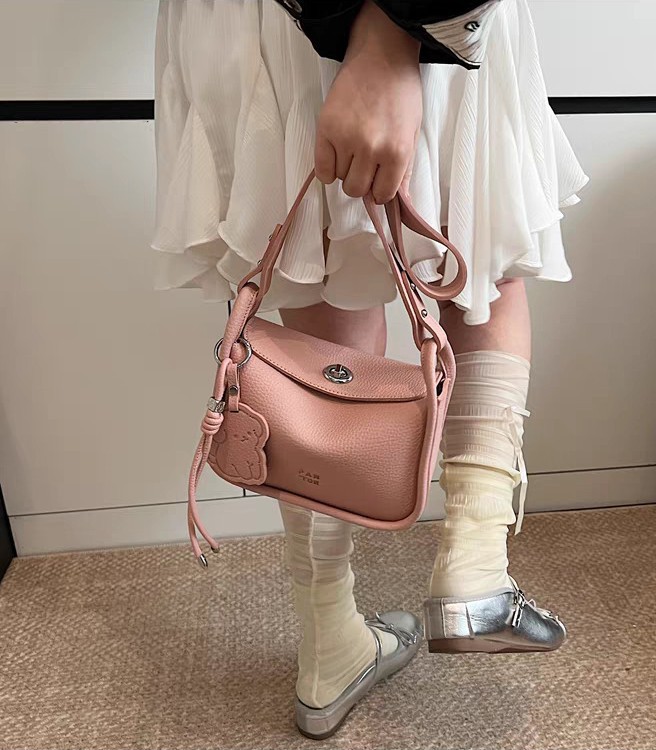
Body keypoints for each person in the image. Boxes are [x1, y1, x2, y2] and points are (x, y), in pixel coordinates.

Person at [152, 0, 588, 740]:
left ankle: (330, 645)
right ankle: (476, 569)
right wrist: (388, 36)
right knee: (475, 256)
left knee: (322, 283)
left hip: (253, 21)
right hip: (413, 16)